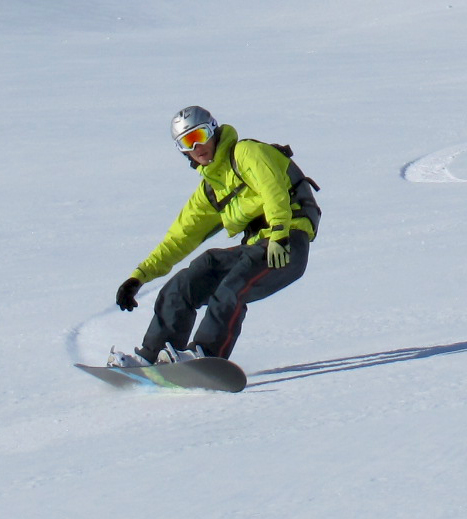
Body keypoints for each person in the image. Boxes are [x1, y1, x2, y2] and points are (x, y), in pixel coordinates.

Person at [112, 106, 319, 365]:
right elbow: (179, 238)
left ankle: (207, 355)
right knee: (188, 280)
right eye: (188, 141)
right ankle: (153, 357)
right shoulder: (211, 190)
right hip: (257, 247)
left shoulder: (246, 153)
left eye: (200, 135)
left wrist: (279, 233)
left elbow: (272, 188)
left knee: (233, 286)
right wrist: (138, 277)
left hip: (288, 243)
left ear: (213, 130)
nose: (197, 146)